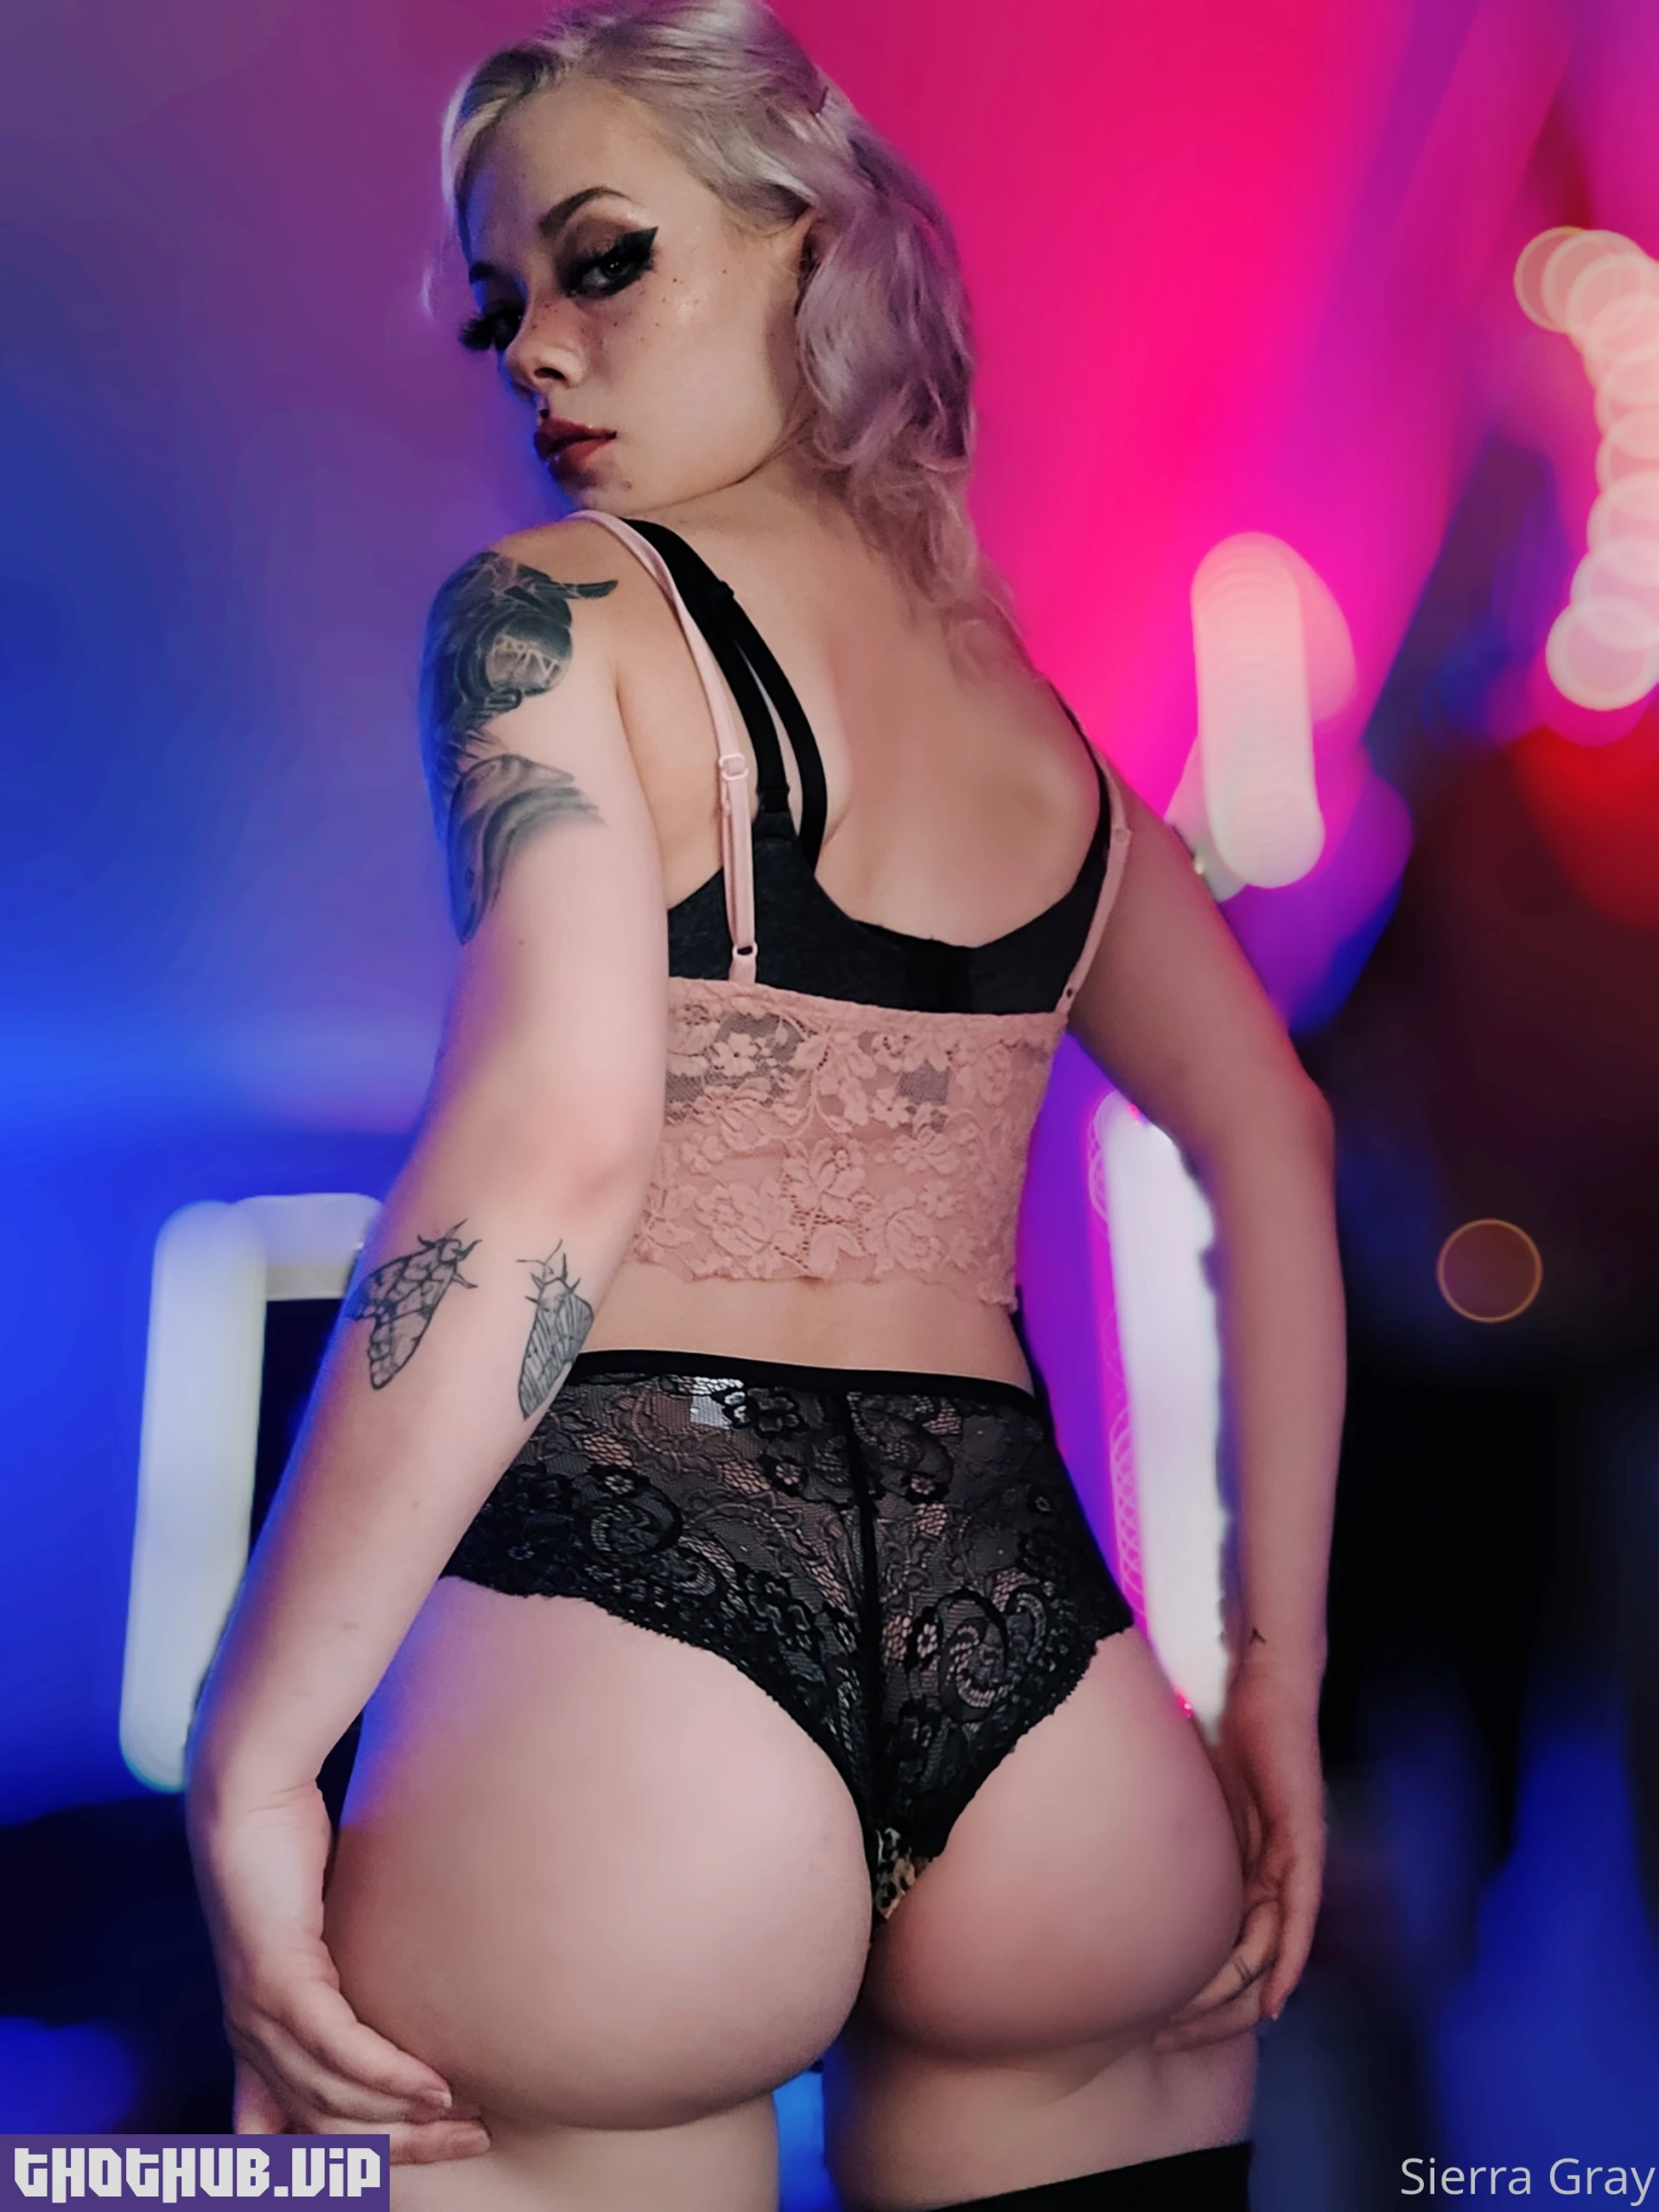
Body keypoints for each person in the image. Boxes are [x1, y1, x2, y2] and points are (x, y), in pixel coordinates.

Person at [184, 3, 1345, 2205]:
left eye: (602, 260)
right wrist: (1272, 1678)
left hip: (623, 1662)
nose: (537, 350)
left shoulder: (553, 616)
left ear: (807, 243)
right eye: (500, 308)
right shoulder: (1036, 725)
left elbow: (557, 1143)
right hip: (1053, 1686)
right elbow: (1274, 1134)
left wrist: (254, 1742)